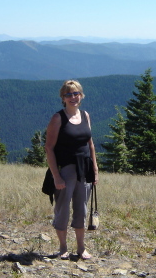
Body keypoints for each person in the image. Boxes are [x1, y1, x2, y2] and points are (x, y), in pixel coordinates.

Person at [45, 80, 99, 260]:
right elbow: (49, 148)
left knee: (81, 209)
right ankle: (62, 248)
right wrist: (56, 177)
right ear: (63, 98)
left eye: (76, 93)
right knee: (62, 209)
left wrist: (95, 168)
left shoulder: (85, 115)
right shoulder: (58, 118)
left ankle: (81, 248)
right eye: (69, 94)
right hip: (65, 170)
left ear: (81, 95)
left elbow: (90, 143)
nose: (73, 97)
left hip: (84, 169)